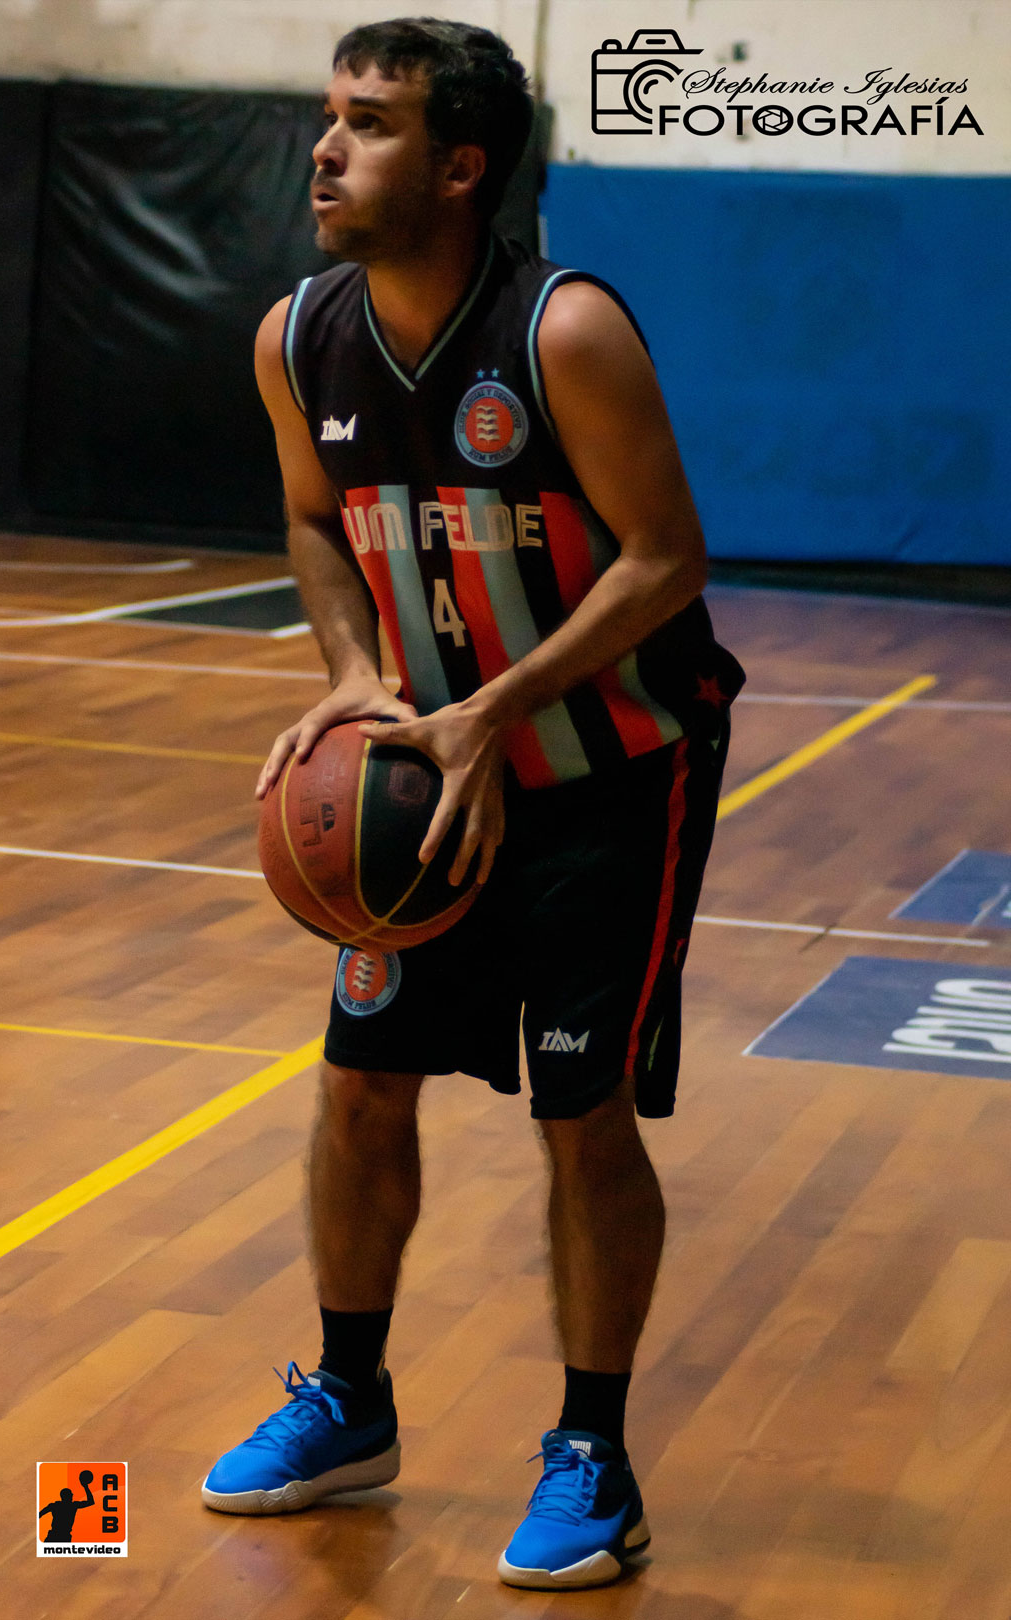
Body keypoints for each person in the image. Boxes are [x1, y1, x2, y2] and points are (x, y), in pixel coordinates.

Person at [201, 17, 744, 1591]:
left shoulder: (563, 331)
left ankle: (594, 1454)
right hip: (421, 788)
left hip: (605, 778)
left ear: (460, 167)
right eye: (329, 115)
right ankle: (348, 1399)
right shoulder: (297, 338)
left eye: (368, 123)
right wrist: (360, 675)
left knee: (580, 1114)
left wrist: (495, 713)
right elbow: (314, 519)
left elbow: (667, 559)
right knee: (360, 1084)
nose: (324, 148)